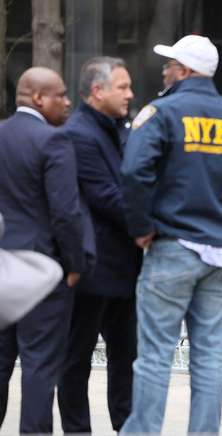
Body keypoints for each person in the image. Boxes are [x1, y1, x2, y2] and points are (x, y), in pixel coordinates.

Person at [119, 35, 222, 434]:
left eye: (169, 65)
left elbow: (134, 172)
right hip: (221, 254)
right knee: (207, 357)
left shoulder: (162, 112)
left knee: (154, 356)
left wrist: (141, 228)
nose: (164, 71)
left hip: (173, 248)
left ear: (183, 70)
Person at [57, 56, 143, 433]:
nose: (130, 94)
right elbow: (107, 197)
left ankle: (126, 426)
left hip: (125, 267)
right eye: (122, 87)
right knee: (76, 360)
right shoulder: (79, 133)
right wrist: (157, 223)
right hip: (91, 269)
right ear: (97, 90)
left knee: (127, 357)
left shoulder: (118, 128)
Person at [0, 67, 88, 433]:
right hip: (41, 270)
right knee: (39, 365)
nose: (68, 102)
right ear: (38, 98)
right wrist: (75, 264)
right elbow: (66, 213)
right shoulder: (53, 141)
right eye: (60, 95)